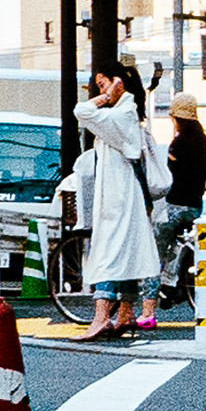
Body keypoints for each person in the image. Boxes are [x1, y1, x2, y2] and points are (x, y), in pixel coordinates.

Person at [74, 62, 161, 341]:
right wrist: (109, 92)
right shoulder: (124, 113)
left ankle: (102, 317)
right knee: (126, 253)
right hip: (123, 194)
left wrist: (106, 95)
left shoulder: (122, 113)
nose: (100, 91)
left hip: (118, 196)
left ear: (117, 81)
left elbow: (81, 111)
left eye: (103, 84)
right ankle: (125, 313)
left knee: (108, 255)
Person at [136, 92, 206, 327]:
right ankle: (171, 284)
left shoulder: (178, 144)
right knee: (172, 247)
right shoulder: (202, 140)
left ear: (177, 118)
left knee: (154, 254)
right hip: (196, 206)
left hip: (176, 206)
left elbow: (169, 177)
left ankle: (148, 311)